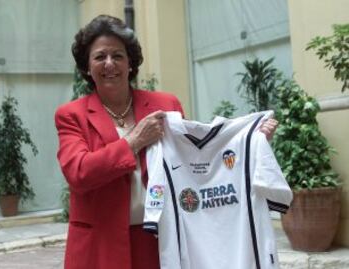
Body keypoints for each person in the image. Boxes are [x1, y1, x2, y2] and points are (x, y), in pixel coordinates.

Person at [54, 14, 278, 269]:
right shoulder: (72, 115)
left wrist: (249, 143)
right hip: (99, 246)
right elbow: (78, 172)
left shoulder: (165, 105)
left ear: (130, 63)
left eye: (118, 55)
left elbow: (195, 158)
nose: (109, 64)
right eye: (99, 57)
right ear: (86, 66)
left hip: (158, 240)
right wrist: (134, 141)